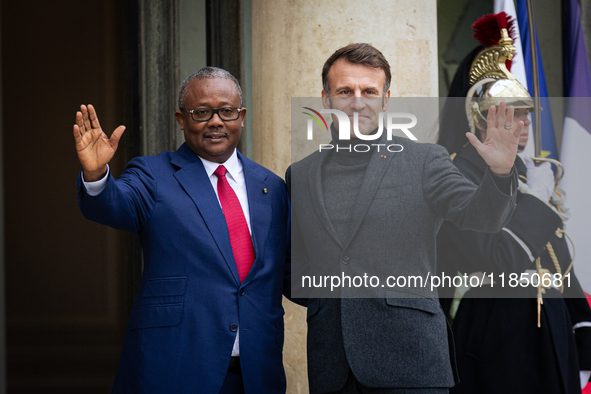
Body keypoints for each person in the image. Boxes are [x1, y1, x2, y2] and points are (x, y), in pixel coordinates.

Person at [287, 43, 523, 394]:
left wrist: (500, 173)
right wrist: (327, 301)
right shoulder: (300, 175)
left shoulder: (424, 160)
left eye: (369, 91)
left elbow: (480, 216)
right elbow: (294, 265)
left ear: (385, 99)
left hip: (411, 364)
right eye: (344, 91)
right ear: (326, 99)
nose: (357, 101)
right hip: (333, 367)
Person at [74, 67, 291, 393]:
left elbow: (288, 273)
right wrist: (96, 175)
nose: (215, 121)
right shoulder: (154, 174)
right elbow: (115, 205)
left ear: (241, 117)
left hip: (256, 374)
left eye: (227, 111)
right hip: (175, 368)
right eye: (202, 112)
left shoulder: (271, 187)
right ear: (181, 119)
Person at [436, 12, 591, 394]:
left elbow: (557, 264)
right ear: (478, 116)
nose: (522, 124)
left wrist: (581, 329)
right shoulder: (454, 176)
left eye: (525, 114)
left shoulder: (529, 175)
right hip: (495, 337)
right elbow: (498, 258)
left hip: (550, 336)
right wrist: (537, 202)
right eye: (508, 114)